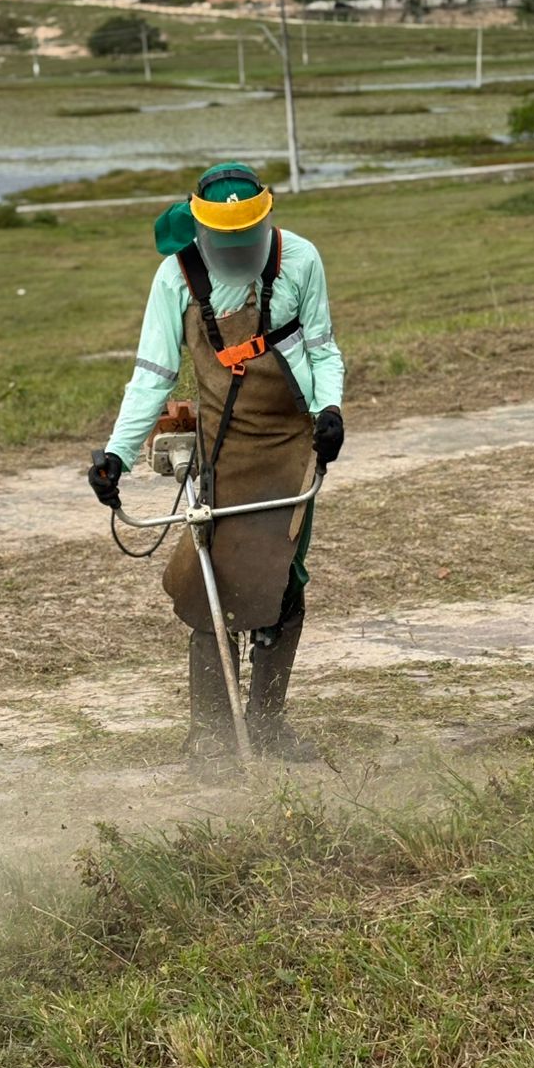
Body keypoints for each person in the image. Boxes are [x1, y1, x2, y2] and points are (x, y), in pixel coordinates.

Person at [88, 162, 345, 761]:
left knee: (284, 576)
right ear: (202, 232)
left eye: (246, 240)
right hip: (222, 445)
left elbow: (322, 346)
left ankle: (266, 725)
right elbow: (152, 375)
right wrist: (117, 456)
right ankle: (210, 736)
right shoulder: (175, 277)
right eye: (224, 242)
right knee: (213, 576)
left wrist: (330, 409)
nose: (237, 250)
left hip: (292, 442)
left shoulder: (300, 259)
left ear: (265, 223)